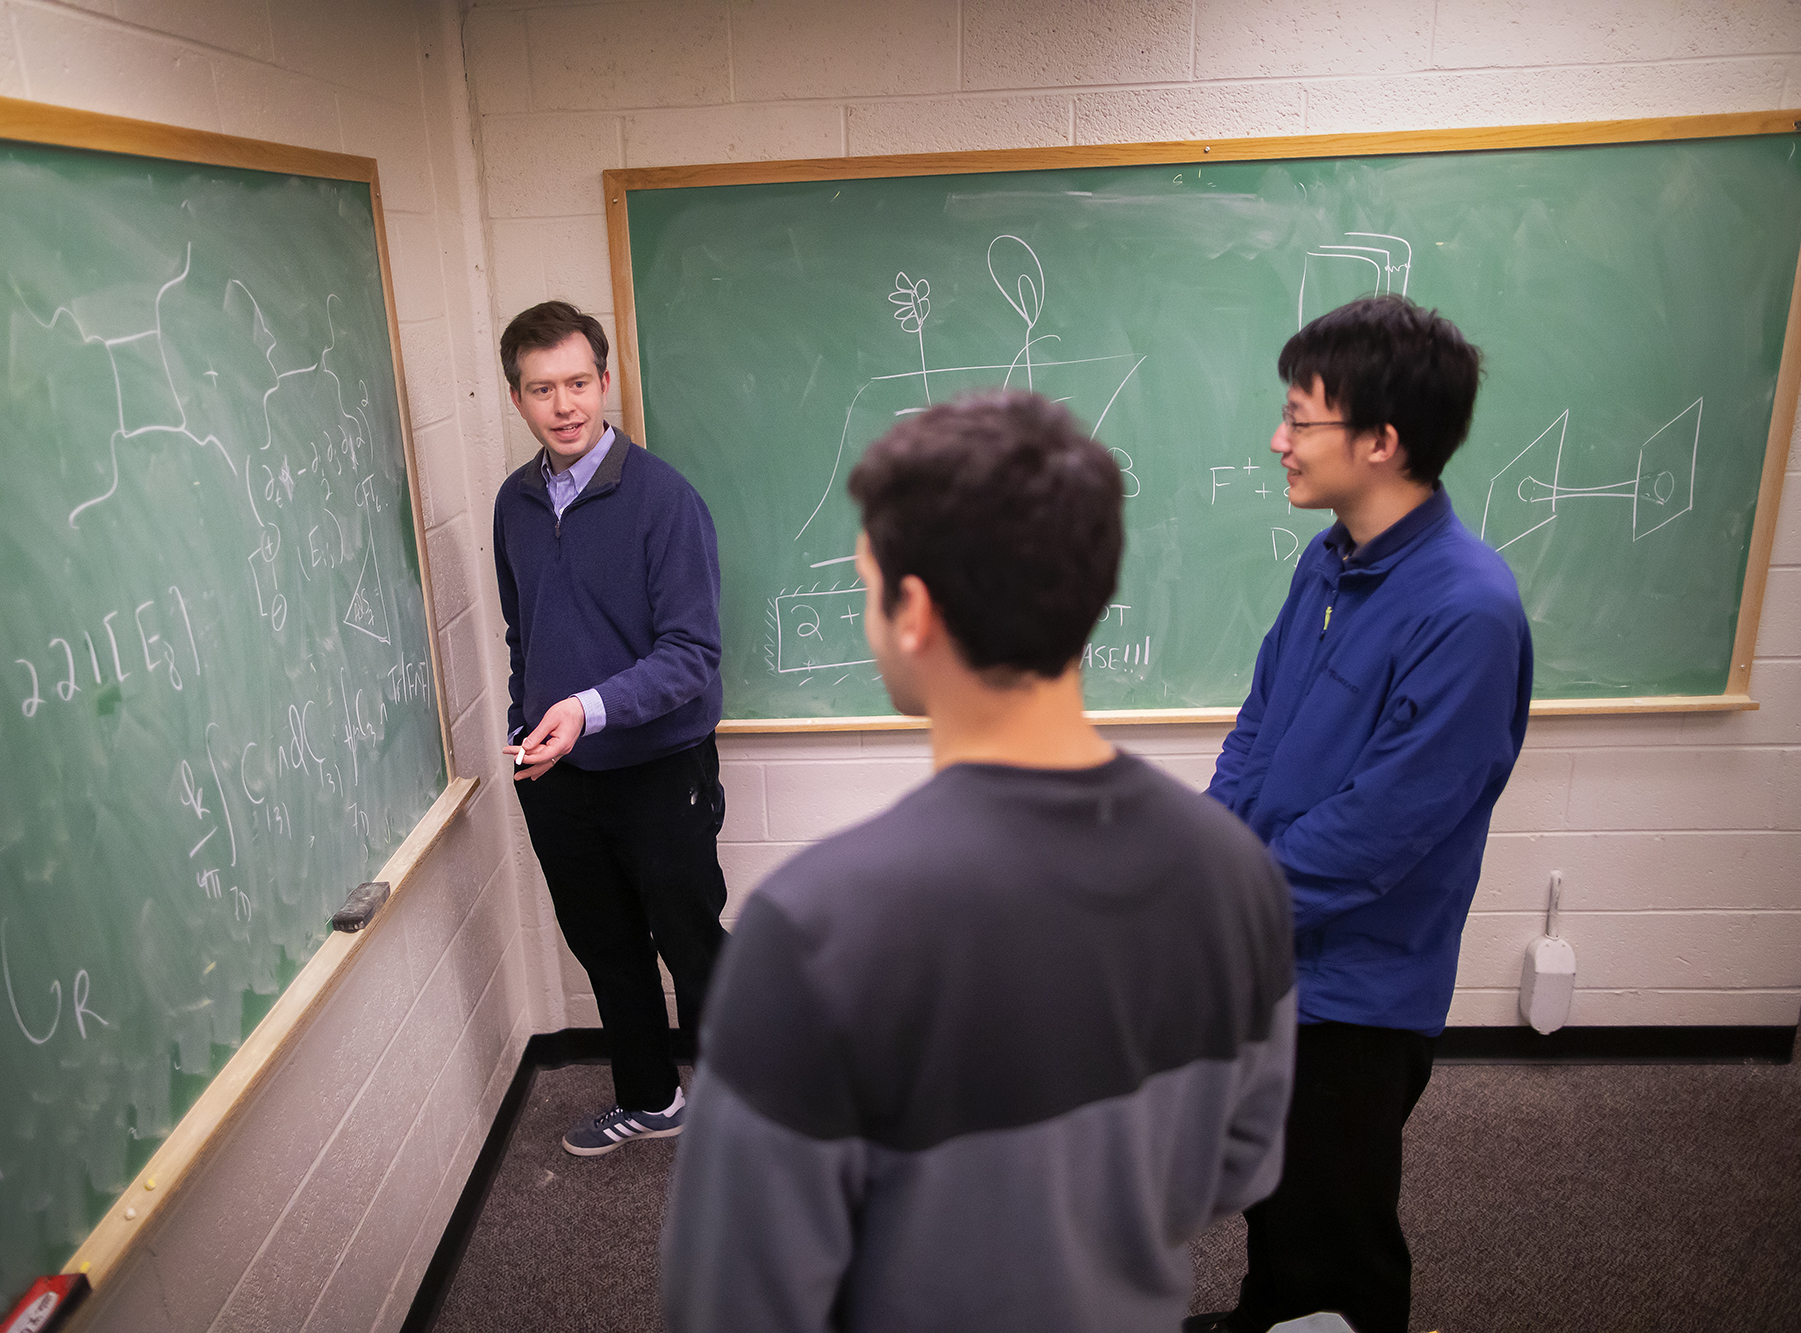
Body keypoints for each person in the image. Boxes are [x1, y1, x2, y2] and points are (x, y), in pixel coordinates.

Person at [660, 390, 1297, 1332]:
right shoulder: (1235, 870)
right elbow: (1241, 1163)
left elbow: (731, 1301)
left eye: (867, 578)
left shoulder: (814, 928)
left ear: (912, 611)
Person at [1190, 296, 1534, 1333]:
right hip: (1275, 949)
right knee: (1281, 1192)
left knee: (1336, 1229)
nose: (1276, 439)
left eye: (1300, 420)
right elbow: (1258, 724)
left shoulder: (1465, 608)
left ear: (1380, 442)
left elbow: (1380, 830)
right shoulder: (1329, 560)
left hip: (1354, 983)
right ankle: (1269, 1313)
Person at [491, 300, 728, 1156]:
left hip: (660, 766)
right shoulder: (514, 503)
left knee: (691, 941)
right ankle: (652, 1097)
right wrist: (528, 726)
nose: (565, 405)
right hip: (556, 775)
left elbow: (692, 652)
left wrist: (586, 710)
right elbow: (525, 630)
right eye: (542, 388)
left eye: (579, 383)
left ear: (604, 382)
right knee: (607, 945)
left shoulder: (663, 499)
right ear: (516, 397)